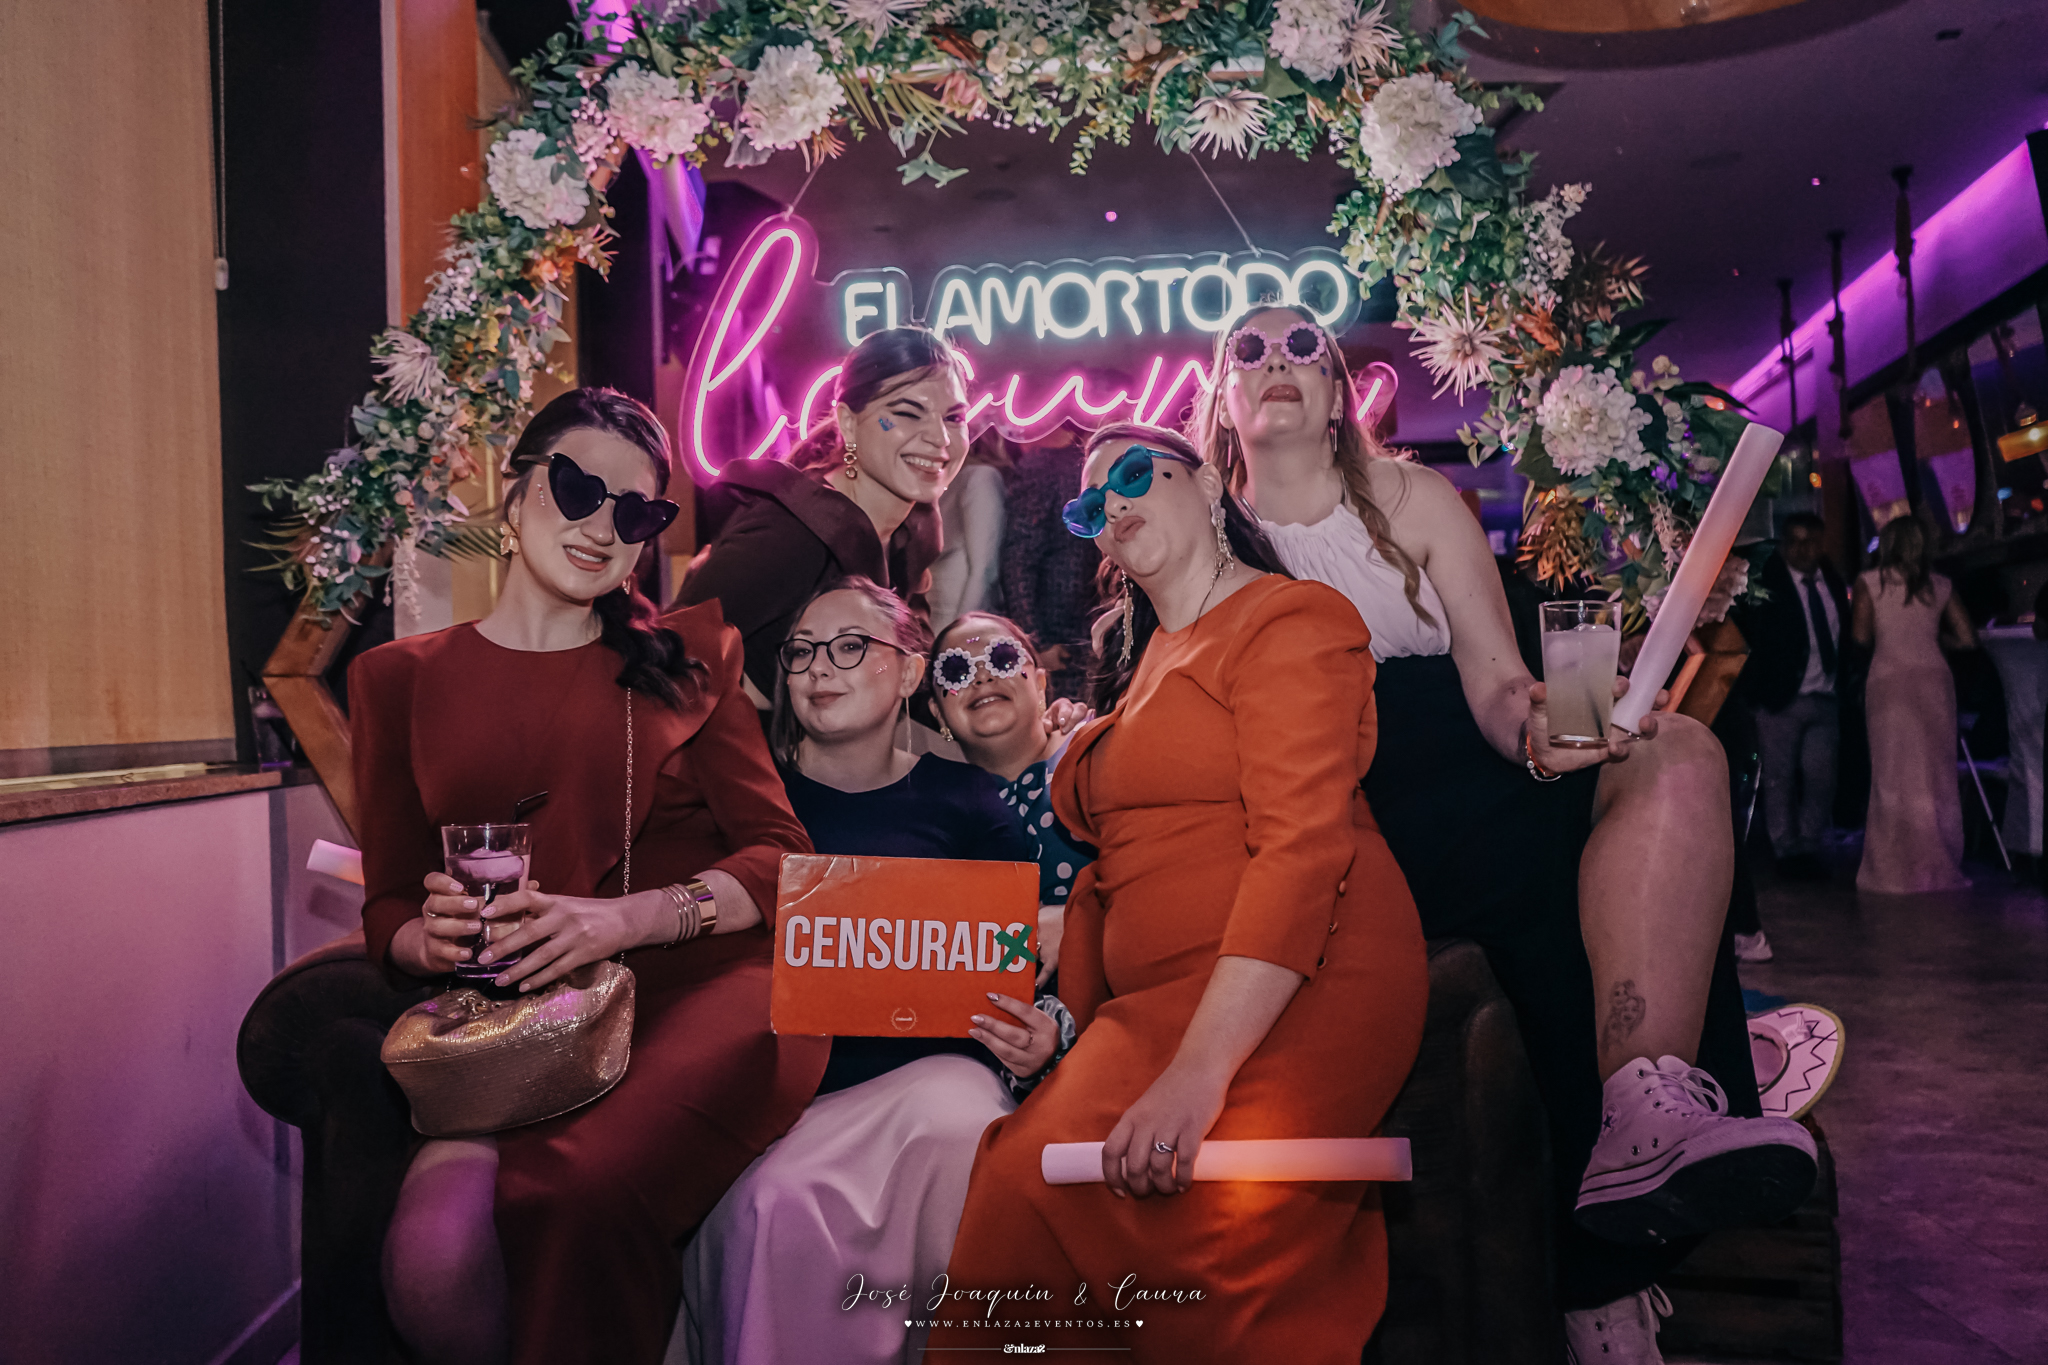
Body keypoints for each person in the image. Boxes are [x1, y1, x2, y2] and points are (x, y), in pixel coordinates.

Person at [1195, 304, 1817, 1362]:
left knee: (1678, 751)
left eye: (1304, 345)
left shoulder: (1413, 497)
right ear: (1222, 396)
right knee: (1550, 885)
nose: (1277, 360)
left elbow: (1493, 681)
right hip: (1330, 798)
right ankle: (1606, 1271)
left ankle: (1648, 1106)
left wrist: (1544, 735)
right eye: (1247, 349)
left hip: (1466, 762)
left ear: (1339, 390)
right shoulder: (1207, 528)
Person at [930, 425, 1430, 1362]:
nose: (1112, 505)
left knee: (1199, 1227)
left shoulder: (1289, 618)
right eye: (1090, 504)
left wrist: (1200, 1073)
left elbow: (1300, 849)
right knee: (1019, 1182)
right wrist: (1067, 992)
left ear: (1205, 485)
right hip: (1152, 1004)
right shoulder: (1148, 661)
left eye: (1132, 475)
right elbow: (1119, 864)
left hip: (1300, 978)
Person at [351, 388, 827, 1365]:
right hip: (517, 1010)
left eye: (636, 511)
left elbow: (785, 860)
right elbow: (389, 898)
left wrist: (628, 920)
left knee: (572, 1191)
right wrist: (424, 938)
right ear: (516, 486)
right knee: (430, 1257)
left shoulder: (687, 661)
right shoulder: (397, 680)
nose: (602, 527)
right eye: (577, 489)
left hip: (705, 987)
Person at [680, 578, 1070, 1365]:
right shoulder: (753, 804)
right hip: (786, 1095)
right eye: (801, 652)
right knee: (771, 1202)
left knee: (965, 1129)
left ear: (910, 671)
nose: (820, 667)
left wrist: (1037, 1034)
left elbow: (1018, 956)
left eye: (850, 646)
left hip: (941, 1084)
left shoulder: (968, 798)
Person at [678, 327, 970, 706]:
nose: (940, 438)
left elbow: (909, 686)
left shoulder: (913, 535)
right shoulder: (793, 531)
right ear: (848, 423)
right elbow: (668, 656)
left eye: (954, 417)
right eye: (908, 413)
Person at [927, 612, 1098, 985]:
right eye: (956, 670)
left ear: (1040, 684)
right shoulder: (935, 812)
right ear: (938, 714)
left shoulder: (1096, 753)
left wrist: (1082, 919)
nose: (982, 677)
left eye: (1002, 658)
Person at [1853, 516, 1977, 893]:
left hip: (1888, 680)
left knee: (1891, 772)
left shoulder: (1869, 583)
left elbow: (1861, 636)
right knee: (1935, 774)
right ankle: (1936, 862)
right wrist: (1933, 639)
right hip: (1934, 682)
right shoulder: (1941, 585)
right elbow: (1968, 639)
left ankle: (1892, 867)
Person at [1735, 512, 1850, 880]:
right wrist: (1756, 689)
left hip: (1825, 693)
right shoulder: (1769, 583)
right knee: (1779, 777)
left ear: (1821, 544)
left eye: (1810, 542)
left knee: (1822, 776)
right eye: (1794, 542)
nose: (1802, 550)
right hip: (1781, 696)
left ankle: (1809, 844)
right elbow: (1752, 636)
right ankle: (1785, 849)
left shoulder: (1831, 580)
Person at [999, 423, 1099, 700]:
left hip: (1098, 638)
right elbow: (1019, 559)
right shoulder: (1047, 466)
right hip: (1060, 642)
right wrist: (1038, 642)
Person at [928, 429, 1010, 628]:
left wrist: (959, 634)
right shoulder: (937, 486)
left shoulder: (980, 478)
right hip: (929, 623)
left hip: (955, 622)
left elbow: (985, 571)